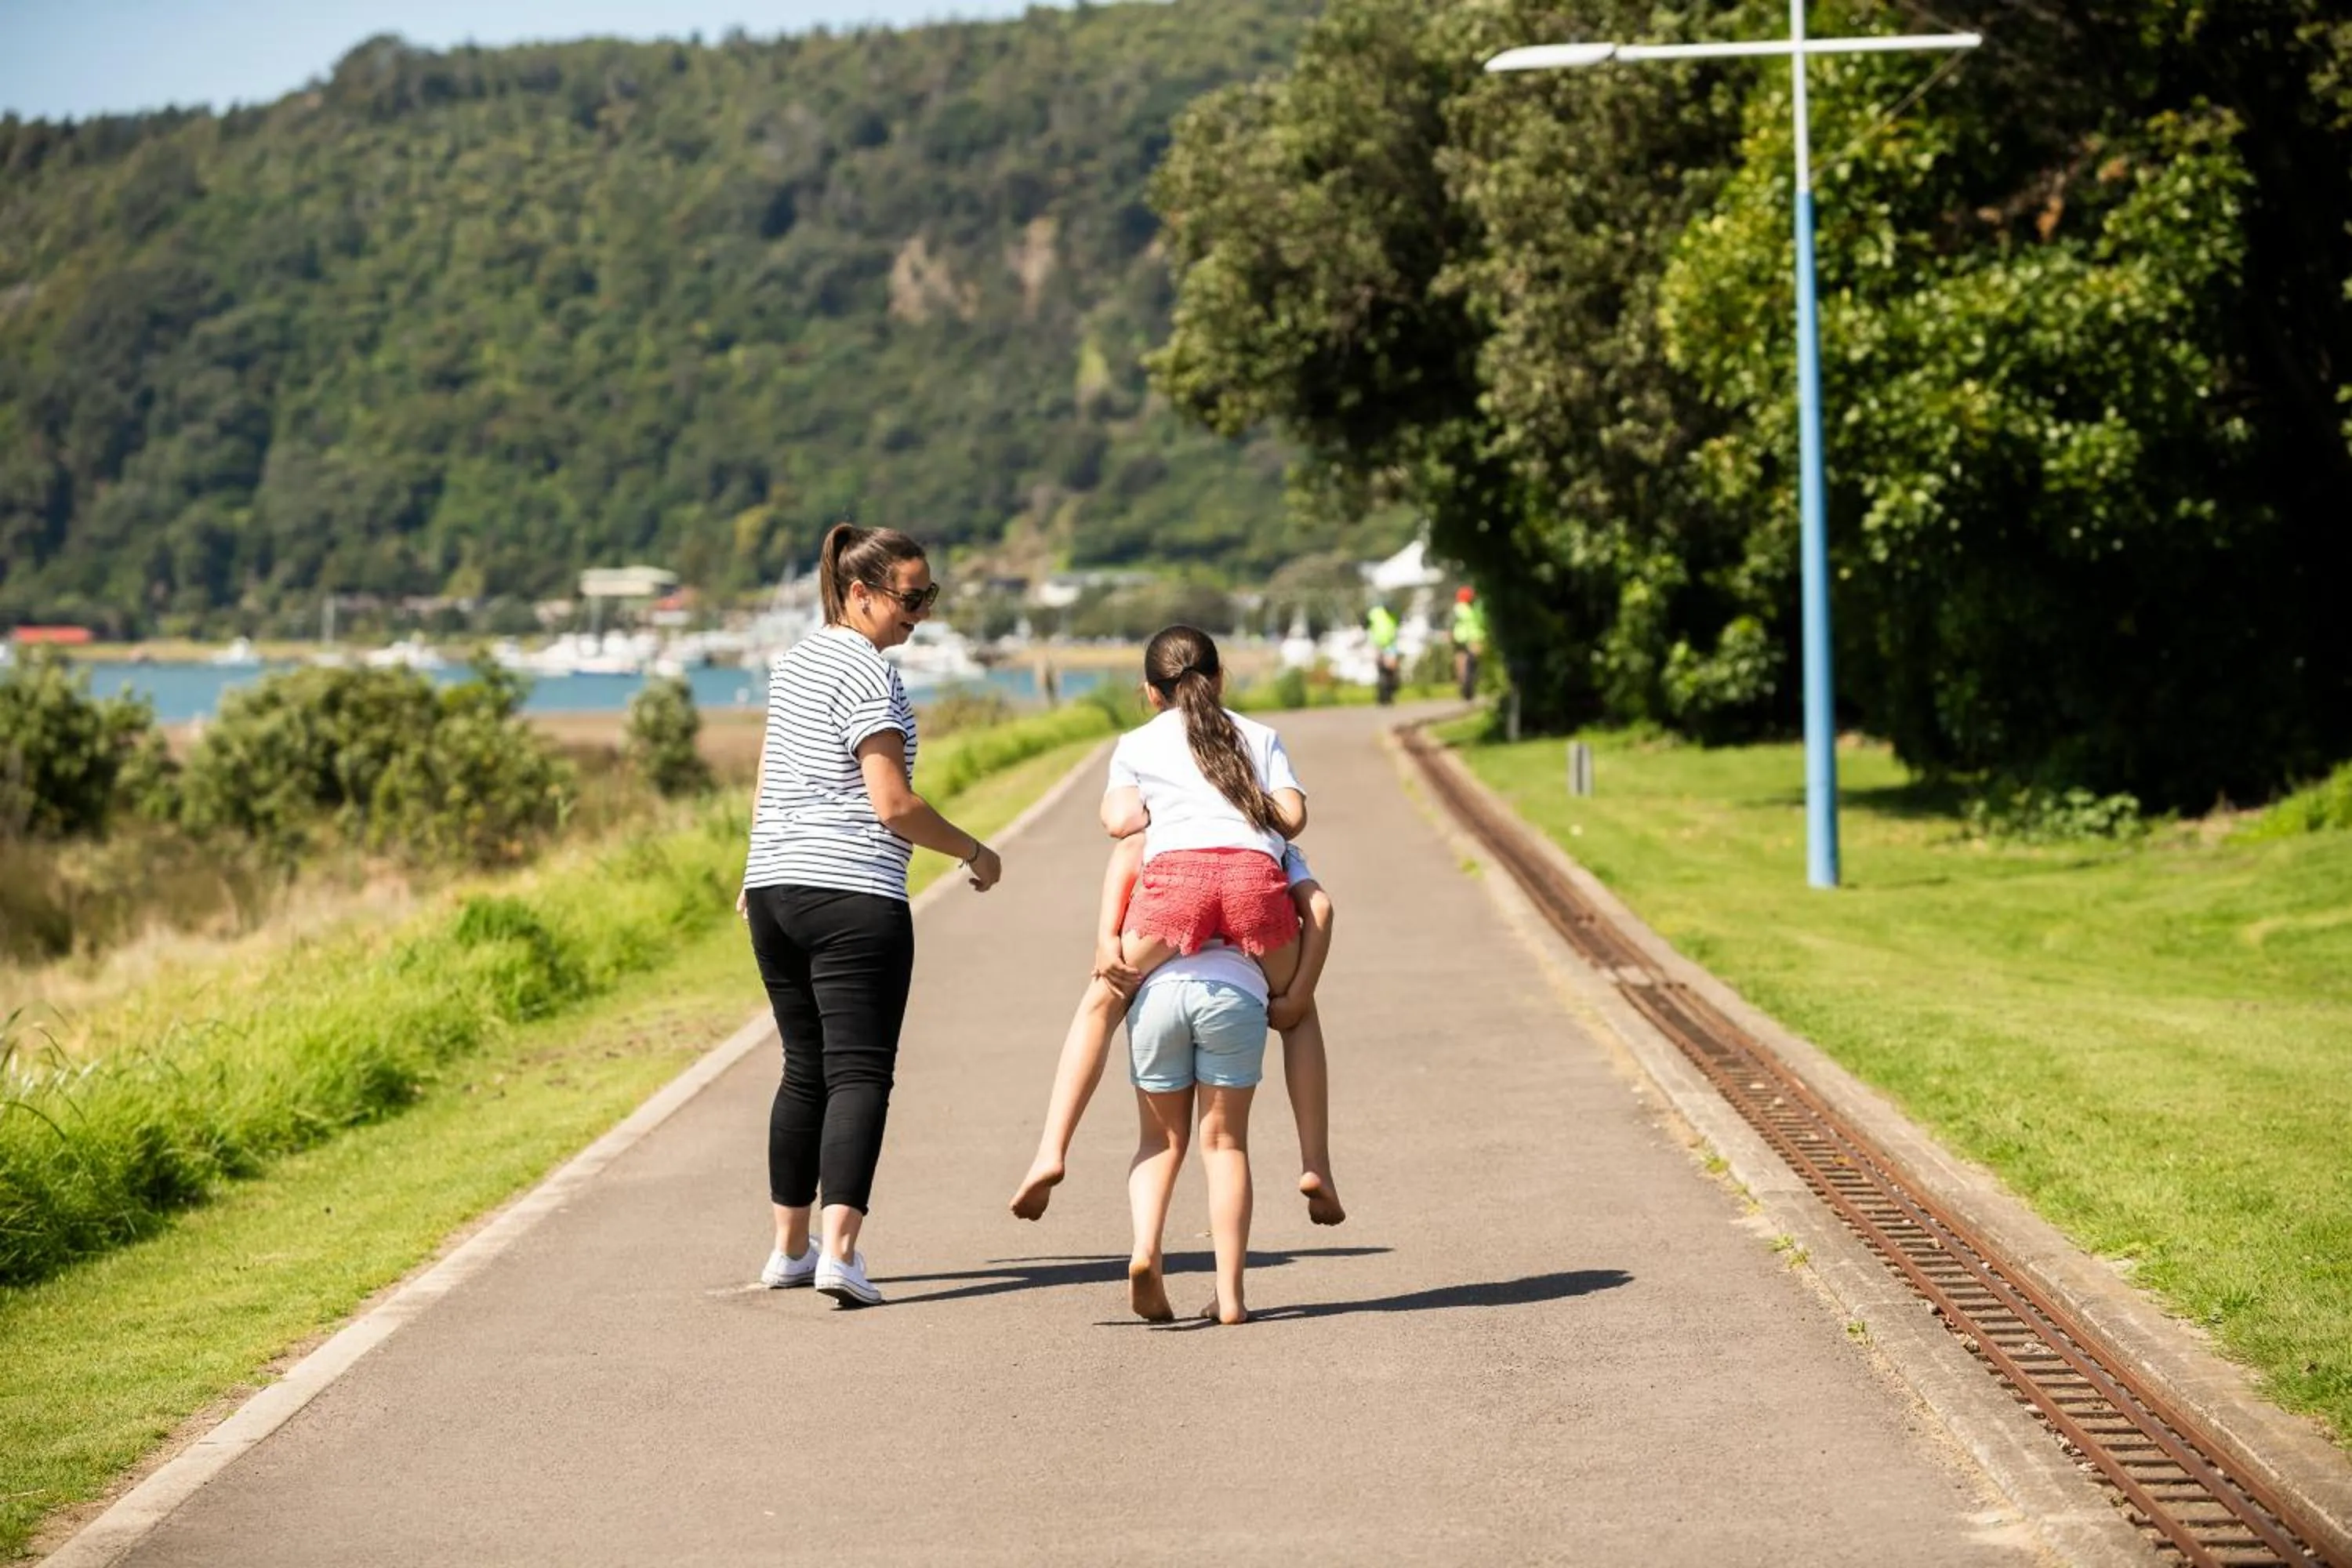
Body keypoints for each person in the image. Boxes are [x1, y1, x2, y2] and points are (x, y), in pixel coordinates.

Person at [738, 521, 1004, 1309]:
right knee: (859, 1070)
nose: (920, 612)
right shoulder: (867, 672)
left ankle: (791, 1248)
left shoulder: (792, 662)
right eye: (910, 596)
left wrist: (757, 868)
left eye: (929, 595)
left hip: (776, 890)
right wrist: (973, 850)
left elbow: (769, 775)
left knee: (803, 1067)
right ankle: (841, 1251)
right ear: (860, 593)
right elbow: (892, 804)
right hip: (852, 893)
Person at [1006, 833, 1341, 1226]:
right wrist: (1298, 995)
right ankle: (1315, 1163)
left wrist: (1105, 940)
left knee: (1102, 1001)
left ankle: (1052, 1149)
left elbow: (1125, 844)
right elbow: (1320, 906)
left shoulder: (1166, 811)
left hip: (1176, 899)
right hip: (1251, 899)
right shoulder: (1264, 829)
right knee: (1300, 1017)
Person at [1122, 896, 1316, 1327]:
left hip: (1158, 997)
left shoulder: (1159, 841)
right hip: (1235, 992)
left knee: (1158, 1142)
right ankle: (1229, 1295)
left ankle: (1146, 1251)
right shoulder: (1264, 844)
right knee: (1225, 1145)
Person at [1450, 585, 1489, 701]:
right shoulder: (1463, 609)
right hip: (1466, 639)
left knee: (1467, 664)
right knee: (1468, 665)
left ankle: (1467, 686)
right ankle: (1466, 686)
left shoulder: (1465, 608)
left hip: (1470, 639)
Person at [1366, 601, 1401, 706]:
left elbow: (1398, 624)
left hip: (1390, 644)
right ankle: (1381, 695)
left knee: (1392, 668)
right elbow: (1366, 622)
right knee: (1380, 669)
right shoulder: (1375, 613)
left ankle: (1390, 692)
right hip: (1377, 644)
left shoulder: (1395, 615)